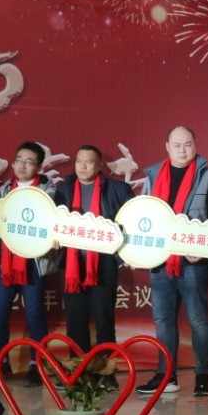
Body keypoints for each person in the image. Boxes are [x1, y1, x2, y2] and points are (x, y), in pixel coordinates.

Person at [137, 126, 208, 399]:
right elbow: (142, 216)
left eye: (187, 144)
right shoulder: (153, 176)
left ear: (195, 145)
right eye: (177, 145)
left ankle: (202, 376)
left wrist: (203, 249)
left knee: (199, 319)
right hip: (160, 261)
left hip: (193, 262)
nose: (182, 150)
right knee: (163, 320)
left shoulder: (207, 175)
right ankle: (167, 376)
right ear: (167, 146)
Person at [0, 141, 57, 386]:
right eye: (19, 160)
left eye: (29, 162)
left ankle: (37, 365)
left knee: (35, 315)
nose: (22, 166)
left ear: (39, 167)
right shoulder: (3, 190)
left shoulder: (48, 192)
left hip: (33, 263)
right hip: (4, 262)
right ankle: (1, 362)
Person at [53, 145, 134, 361]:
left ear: (99, 166)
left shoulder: (117, 190)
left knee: (104, 322)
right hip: (71, 265)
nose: (83, 166)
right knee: (75, 323)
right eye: (79, 161)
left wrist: (120, 257)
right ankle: (79, 372)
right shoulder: (63, 190)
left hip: (103, 265)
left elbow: (132, 224)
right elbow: (52, 223)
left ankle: (106, 373)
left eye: (88, 162)